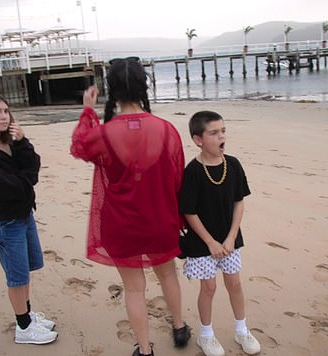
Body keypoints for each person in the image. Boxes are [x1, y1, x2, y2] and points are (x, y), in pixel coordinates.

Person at [70, 57, 190, 356]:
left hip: (121, 223)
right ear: (143, 86)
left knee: (135, 288)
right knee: (168, 275)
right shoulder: (166, 130)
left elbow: (79, 146)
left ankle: (146, 349)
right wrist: (181, 219)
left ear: (112, 89)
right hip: (160, 219)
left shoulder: (103, 134)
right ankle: (179, 327)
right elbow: (177, 178)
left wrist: (88, 110)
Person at [0, 92, 58, 345]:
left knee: (25, 272)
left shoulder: (12, 143)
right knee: (16, 278)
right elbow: (10, 188)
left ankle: (26, 314)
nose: (4, 116)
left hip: (24, 215)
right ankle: (24, 328)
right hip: (6, 222)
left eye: (6, 111)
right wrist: (28, 178)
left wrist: (23, 141)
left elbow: (33, 163)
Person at [179, 110, 261, 356]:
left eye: (223, 131)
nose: (221, 136)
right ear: (198, 139)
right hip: (203, 242)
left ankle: (242, 329)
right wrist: (210, 242)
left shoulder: (233, 165)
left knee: (234, 283)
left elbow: (239, 201)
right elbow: (189, 212)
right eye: (213, 133)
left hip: (229, 239)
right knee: (209, 288)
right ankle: (206, 336)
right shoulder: (193, 171)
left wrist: (231, 236)